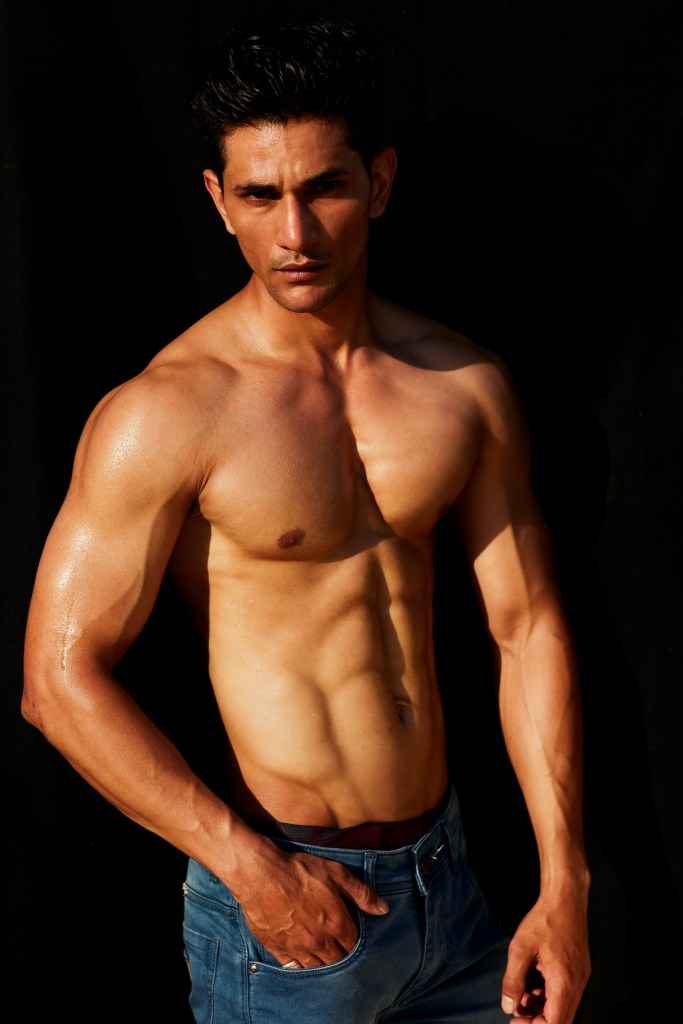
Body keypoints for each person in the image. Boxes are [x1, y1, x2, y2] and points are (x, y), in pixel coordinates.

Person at [22, 13, 590, 1024]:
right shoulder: (168, 412)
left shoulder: (463, 386)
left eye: (324, 188)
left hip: (456, 893)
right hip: (289, 911)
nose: (295, 233)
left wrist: (564, 883)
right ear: (217, 201)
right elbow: (57, 684)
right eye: (259, 195)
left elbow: (525, 627)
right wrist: (249, 869)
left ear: (378, 182)